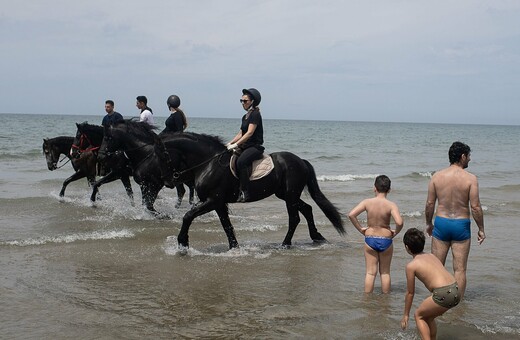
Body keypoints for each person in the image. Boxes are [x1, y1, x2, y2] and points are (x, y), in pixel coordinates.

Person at [425, 141, 485, 299]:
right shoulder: (471, 179)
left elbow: (430, 203)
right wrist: (481, 229)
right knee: (460, 270)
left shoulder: (436, 176)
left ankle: (437, 301)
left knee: (437, 267)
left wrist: (429, 223)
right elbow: (476, 207)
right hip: (461, 225)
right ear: (462, 156)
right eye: (469, 156)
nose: (470, 160)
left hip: (442, 223)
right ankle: (457, 304)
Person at [401, 228, 460, 340]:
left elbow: (410, 293)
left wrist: (405, 315)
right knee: (428, 317)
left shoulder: (411, 266)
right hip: (455, 288)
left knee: (419, 315)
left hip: (443, 293)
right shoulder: (432, 256)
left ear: (407, 248)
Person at [348, 175, 404, 293]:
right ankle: (385, 300)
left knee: (370, 272)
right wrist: (395, 232)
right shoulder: (391, 205)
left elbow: (351, 215)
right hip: (386, 239)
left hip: (370, 238)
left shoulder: (367, 202)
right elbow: (399, 222)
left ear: (374, 188)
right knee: (385, 273)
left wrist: (360, 229)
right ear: (389, 190)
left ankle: (367, 300)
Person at [226, 88, 264, 203]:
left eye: (245, 101)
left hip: (255, 147)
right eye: (241, 101)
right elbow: (241, 133)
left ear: (252, 101)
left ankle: (245, 192)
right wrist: (230, 143)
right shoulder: (245, 116)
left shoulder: (255, 114)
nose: (243, 103)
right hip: (245, 146)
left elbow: (250, 133)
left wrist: (236, 144)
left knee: (241, 161)